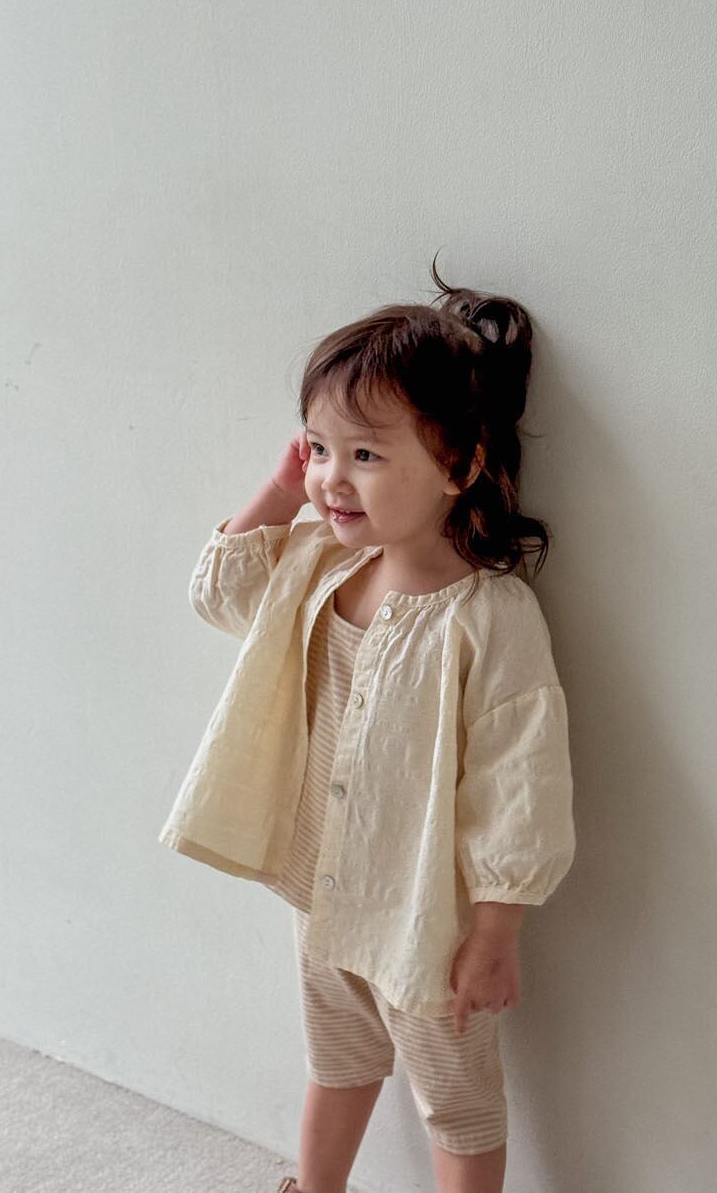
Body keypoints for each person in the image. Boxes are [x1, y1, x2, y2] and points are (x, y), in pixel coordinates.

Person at [158, 255, 576, 1193]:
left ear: (460, 466)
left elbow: (519, 783)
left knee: (457, 1099)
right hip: (320, 887)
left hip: (425, 915)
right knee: (337, 1057)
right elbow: (218, 593)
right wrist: (282, 488)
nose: (332, 480)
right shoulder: (321, 561)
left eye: (366, 455)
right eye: (318, 447)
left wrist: (495, 932)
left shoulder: (488, 617)